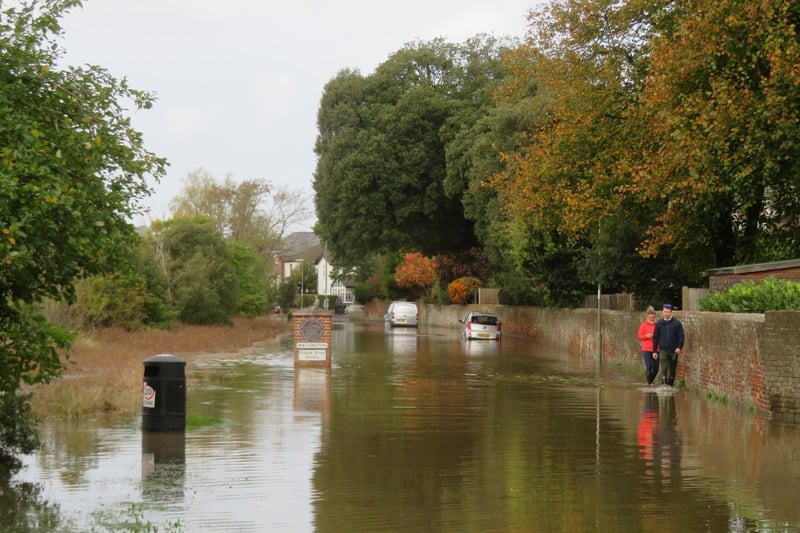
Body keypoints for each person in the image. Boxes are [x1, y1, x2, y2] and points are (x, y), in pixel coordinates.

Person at [652, 303, 685, 387]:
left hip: (674, 350)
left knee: (672, 369)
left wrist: (679, 347)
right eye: (664, 312)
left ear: (671, 312)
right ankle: (663, 384)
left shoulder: (677, 324)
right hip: (663, 349)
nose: (666, 313)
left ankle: (670, 385)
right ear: (662, 312)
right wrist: (654, 351)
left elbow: (681, 336)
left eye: (667, 312)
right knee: (664, 367)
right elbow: (655, 337)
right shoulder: (659, 323)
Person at [637, 306, 659, 384]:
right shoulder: (643, 325)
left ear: (655, 317)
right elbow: (639, 336)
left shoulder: (658, 325)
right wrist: (646, 336)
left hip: (656, 349)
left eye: (653, 317)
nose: (652, 319)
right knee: (649, 366)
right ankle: (650, 383)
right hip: (646, 349)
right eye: (650, 317)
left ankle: (650, 380)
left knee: (656, 368)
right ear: (647, 317)